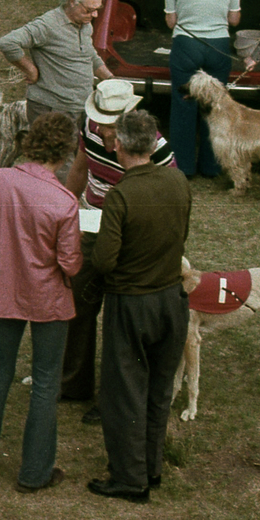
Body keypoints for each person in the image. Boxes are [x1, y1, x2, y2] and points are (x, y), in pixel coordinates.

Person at [0, 111, 83, 494]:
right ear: (66, 151)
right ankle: (35, 471)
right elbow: (69, 262)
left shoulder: (1, 179)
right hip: (49, 298)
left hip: (7, 287)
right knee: (45, 382)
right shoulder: (64, 202)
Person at [88, 109, 191, 504]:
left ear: (118, 145)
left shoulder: (122, 196)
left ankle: (130, 479)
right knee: (158, 390)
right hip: (171, 300)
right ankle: (152, 465)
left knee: (125, 392)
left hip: (132, 304)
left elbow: (104, 261)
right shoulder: (178, 181)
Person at [60, 79, 175, 423]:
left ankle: (112, 398)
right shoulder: (88, 128)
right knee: (77, 302)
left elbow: (164, 199)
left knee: (121, 319)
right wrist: (66, 211)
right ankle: (73, 383)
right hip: (93, 222)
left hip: (131, 234)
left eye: (115, 133)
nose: (109, 141)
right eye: (104, 130)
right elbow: (81, 168)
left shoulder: (158, 150)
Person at [163, 0, 241, 176]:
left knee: (182, 104)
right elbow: (234, 19)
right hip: (218, 46)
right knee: (216, 106)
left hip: (186, 44)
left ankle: (183, 167)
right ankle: (212, 166)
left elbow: (170, 22)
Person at [0, 0, 115, 126]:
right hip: (51, 110)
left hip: (79, 107)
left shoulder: (85, 24)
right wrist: (31, 70)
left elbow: (89, 54)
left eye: (97, 9)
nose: (94, 15)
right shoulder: (48, 25)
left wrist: (110, 79)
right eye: (89, 10)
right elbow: (8, 42)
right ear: (72, 2)